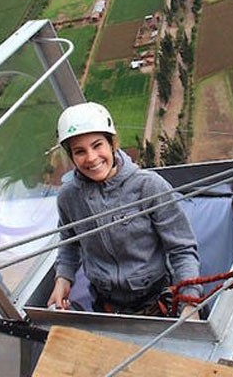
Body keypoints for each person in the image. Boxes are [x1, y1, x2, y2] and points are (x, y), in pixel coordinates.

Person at [47, 102, 201, 318]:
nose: (91, 157)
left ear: (112, 143)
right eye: (79, 151)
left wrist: (189, 300)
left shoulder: (149, 186)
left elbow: (182, 250)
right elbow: (69, 243)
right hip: (105, 305)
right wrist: (63, 279)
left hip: (157, 301)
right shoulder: (68, 196)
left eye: (97, 145)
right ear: (71, 156)